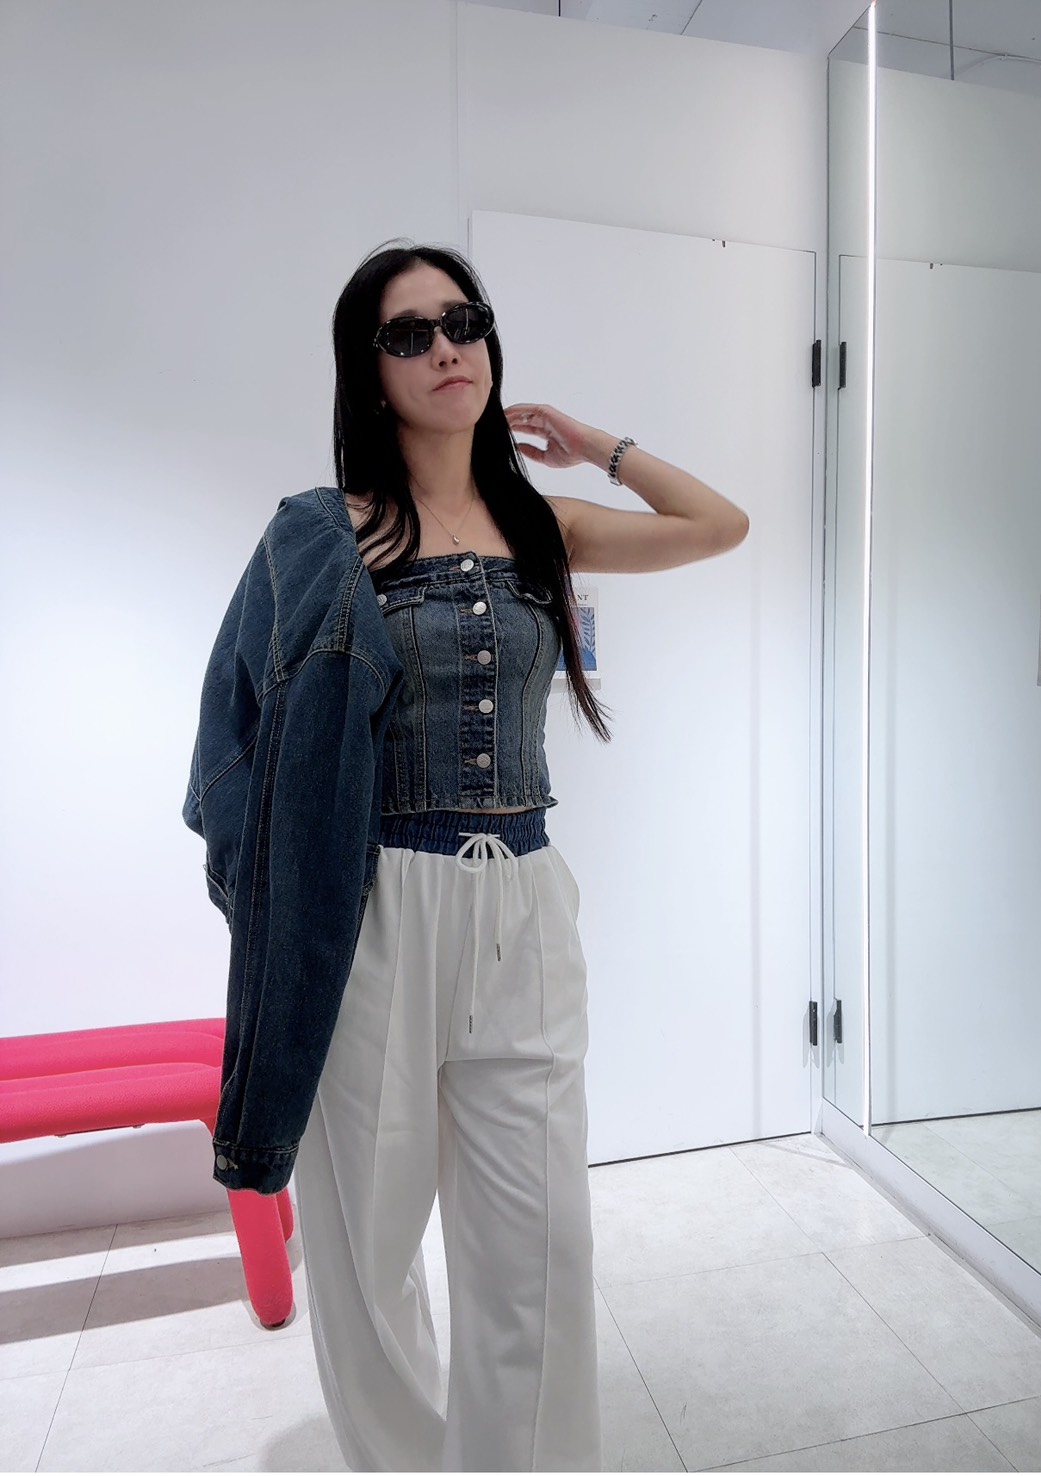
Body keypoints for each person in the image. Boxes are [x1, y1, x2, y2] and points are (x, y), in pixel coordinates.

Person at [184, 238, 749, 1472]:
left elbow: (719, 525)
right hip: (377, 905)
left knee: (541, 1247)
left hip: (525, 904)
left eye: (465, 321)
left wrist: (592, 441)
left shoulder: (541, 524)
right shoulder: (322, 536)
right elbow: (229, 735)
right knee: (368, 1249)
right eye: (410, 334)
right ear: (369, 371)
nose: (446, 347)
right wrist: (273, 904)